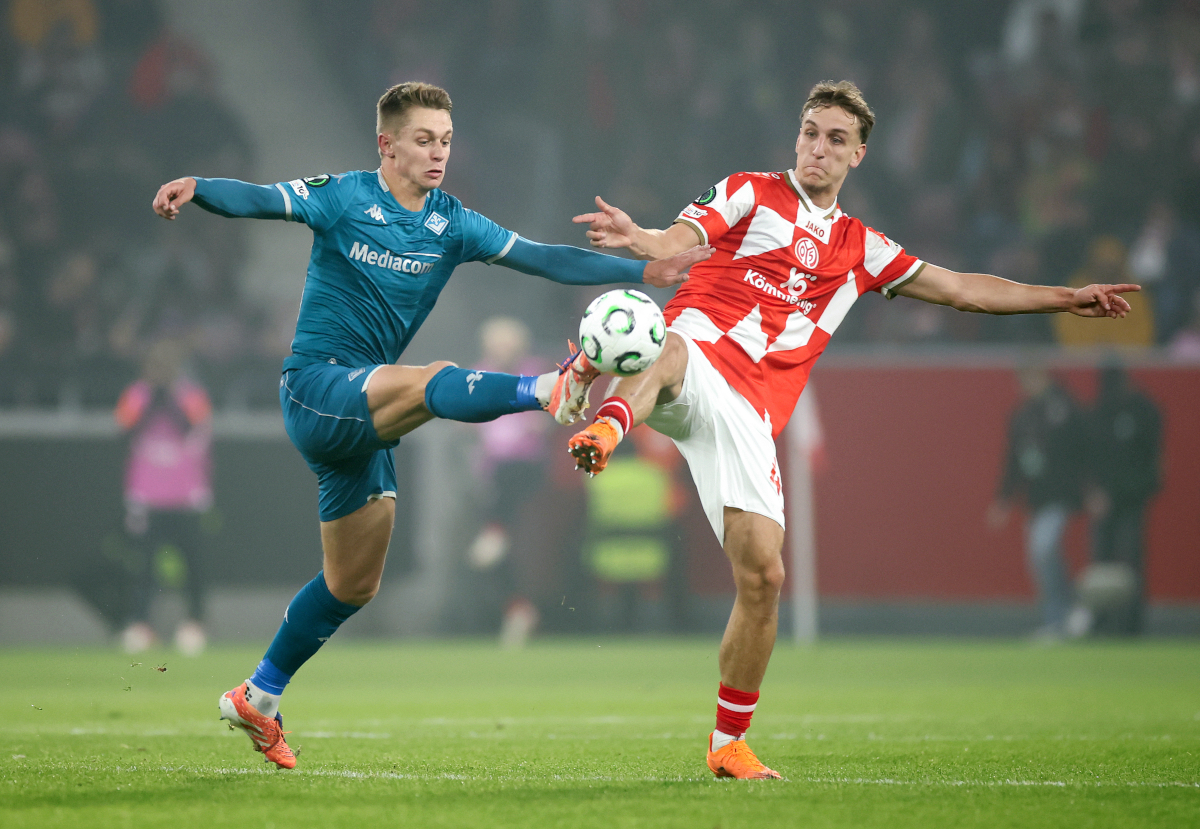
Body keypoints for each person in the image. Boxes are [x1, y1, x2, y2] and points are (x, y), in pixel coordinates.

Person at [567, 80, 1139, 779]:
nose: (818, 147)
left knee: (764, 576)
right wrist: (642, 237)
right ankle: (606, 424)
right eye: (811, 131)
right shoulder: (750, 191)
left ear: (858, 155)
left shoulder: (862, 248)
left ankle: (728, 744)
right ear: (797, 136)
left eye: (836, 139)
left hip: (750, 413)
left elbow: (962, 289)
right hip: (698, 358)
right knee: (668, 344)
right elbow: (676, 240)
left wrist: (1063, 298)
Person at [151, 81, 709, 769]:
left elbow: (544, 256)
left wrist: (646, 266)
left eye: (445, 139)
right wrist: (199, 186)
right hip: (319, 387)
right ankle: (549, 386)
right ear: (386, 145)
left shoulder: (453, 223)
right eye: (423, 139)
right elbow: (263, 197)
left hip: (367, 412)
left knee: (352, 583)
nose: (438, 151)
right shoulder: (343, 196)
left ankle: (257, 696)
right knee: (432, 374)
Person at [114, 338, 213, 656]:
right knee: (144, 565)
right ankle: (141, 625)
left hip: (186, 495)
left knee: (193, 564)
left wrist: (170, 401)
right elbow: (123, 429)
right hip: (147, 495)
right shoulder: (135, 395)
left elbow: (200, 429)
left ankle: (194, 624)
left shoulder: (191, 395)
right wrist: (150, 402)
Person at [987, 364, 1089, 640]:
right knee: (1039, 558)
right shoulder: (1022, 415)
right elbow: (1013, 460)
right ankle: (1061, 616)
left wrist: (1089, 487)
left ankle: (1062, 614)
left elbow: (1083, 450)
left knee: (1044, 549)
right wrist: (1004, 499)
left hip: (1060, 495)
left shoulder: (1065, 407)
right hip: (1035, 499)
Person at [1082, 360, 1162, 635]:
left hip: (1131, 499)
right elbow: (1090, 458)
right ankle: (1101, 621)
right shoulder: (1099, 411)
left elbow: (1151, 457)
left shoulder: (1143, 410)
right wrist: (1093, 492)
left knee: (1130, 563)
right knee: (1101, 563)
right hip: (1105, 499)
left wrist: (1139, 490)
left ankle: (1130, 625)